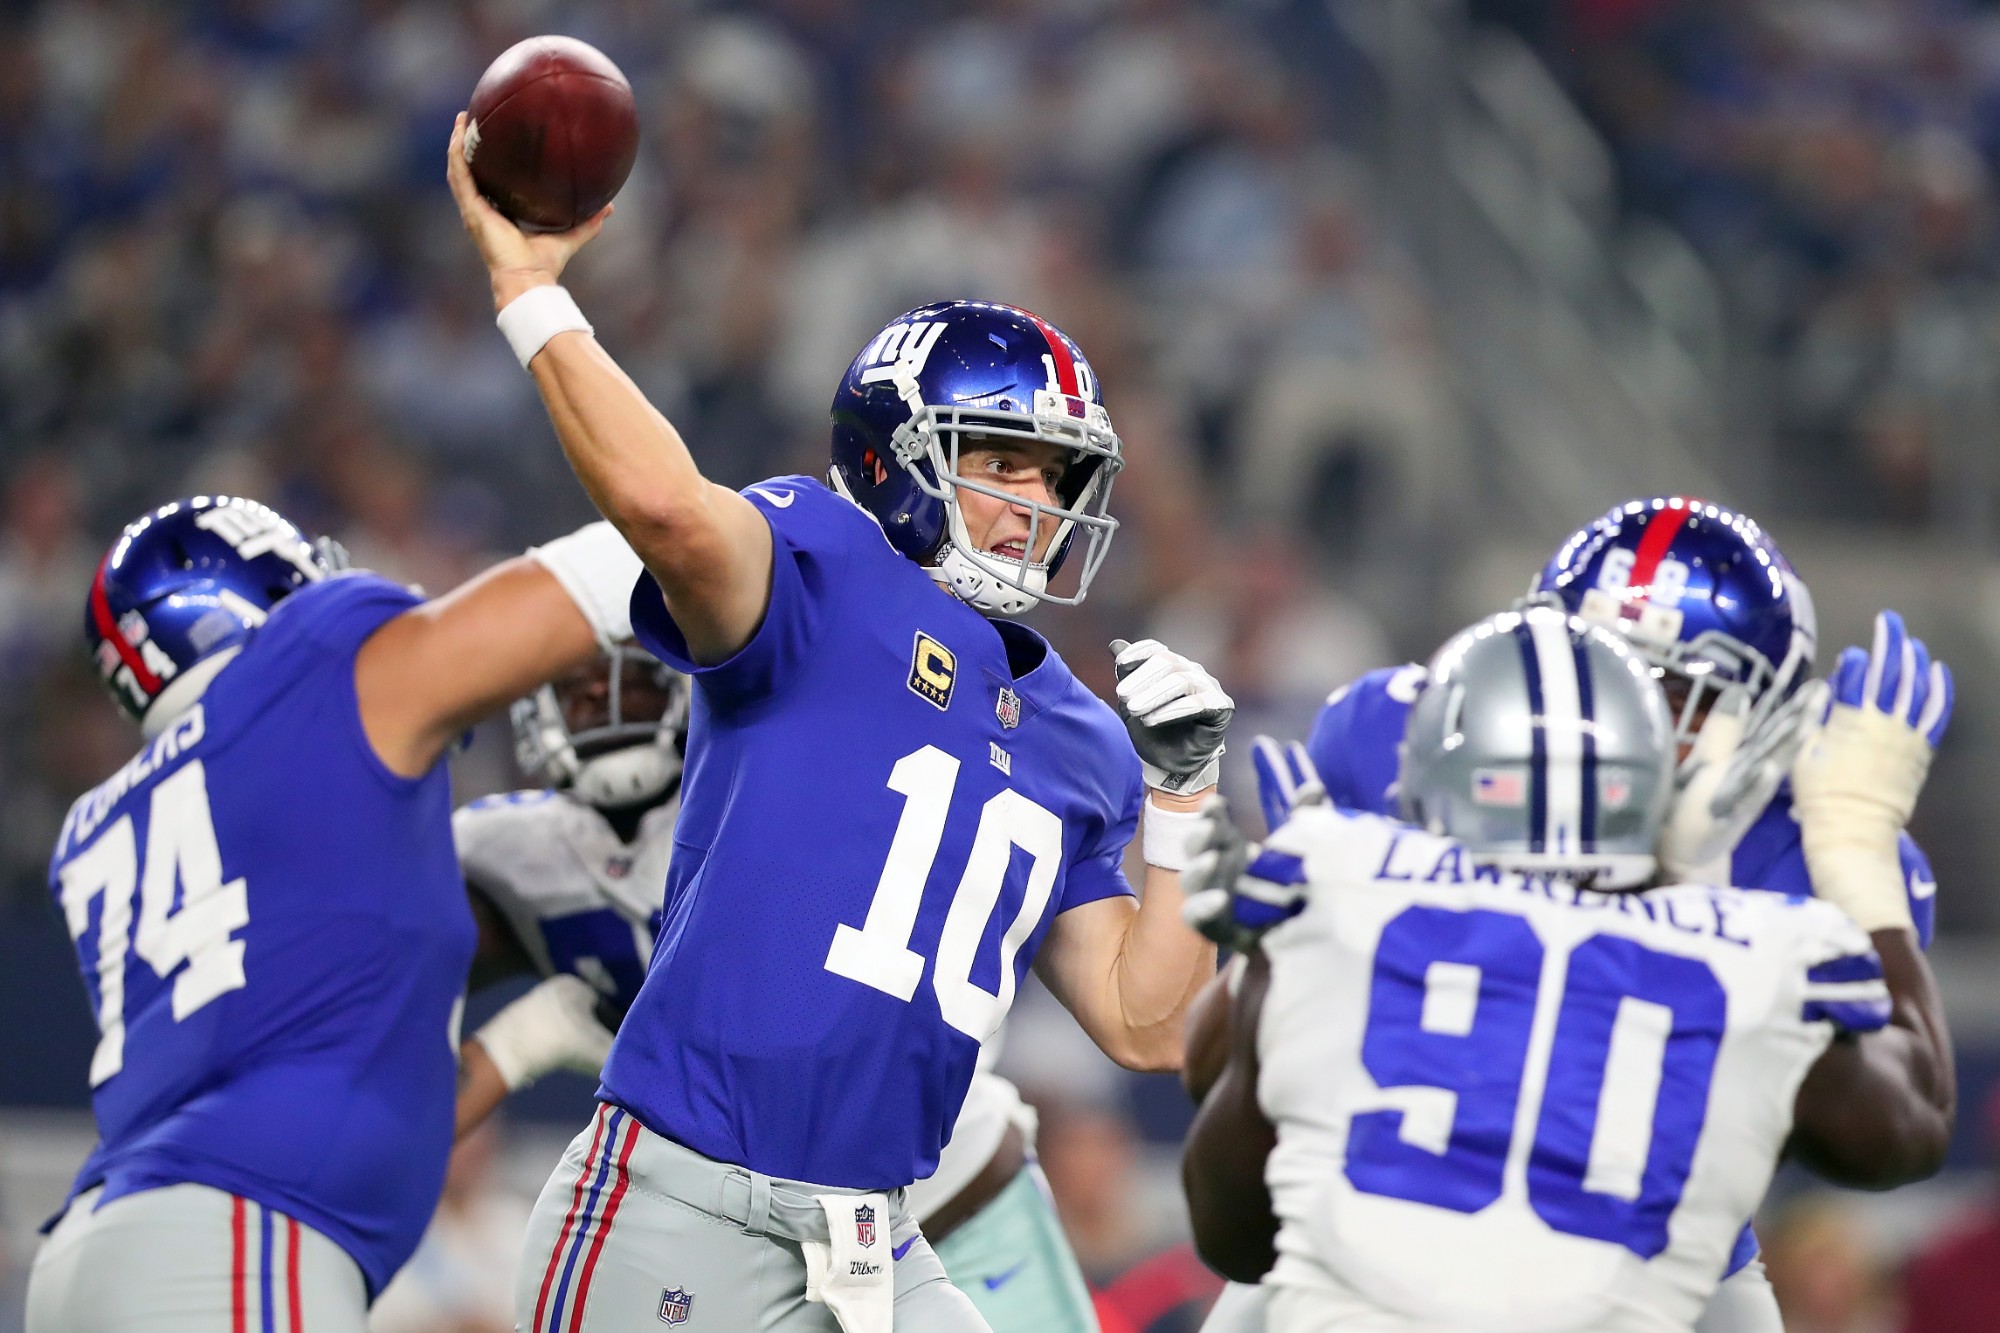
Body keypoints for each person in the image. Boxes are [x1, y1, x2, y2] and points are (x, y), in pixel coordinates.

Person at [446, 117, 1226, 1333]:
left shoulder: (1080, 736)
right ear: (900, 457)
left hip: (878, 1234)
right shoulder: (820, 562)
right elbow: (662, 505)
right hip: (685, 1199)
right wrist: (532, 292)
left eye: (1055, 478)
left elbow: (1146, 1019)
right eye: (1004, 460)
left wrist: (1179, 803)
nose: (1035, 505)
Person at [1197, 495, 1946, 1333]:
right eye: (1593, 666)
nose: (1617, 722)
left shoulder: (1802, 849)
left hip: (1666, 1259)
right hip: (1380, 1216)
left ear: (1767, 723)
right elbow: (1904, 1119)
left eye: (1670, 694)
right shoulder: (1395, 738)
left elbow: (1887, 1124)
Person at [27, 493, 659, 1332]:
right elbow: (603, 574)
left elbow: (349, 1093)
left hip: (105, 1247)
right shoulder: (315, 663)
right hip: (235, 1239)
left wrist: (522, 1045)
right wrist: (766, 533)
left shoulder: (111, 819)